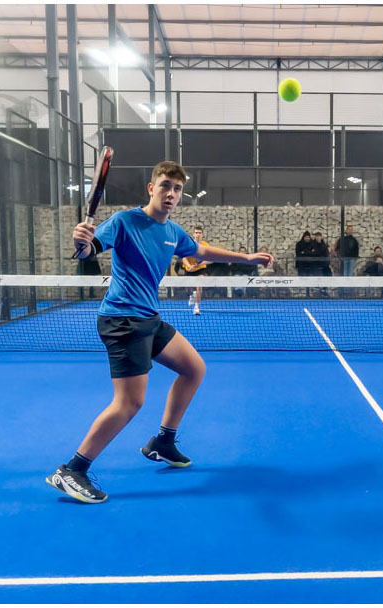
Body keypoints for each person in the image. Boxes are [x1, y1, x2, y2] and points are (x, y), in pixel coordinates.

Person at [47, 160, 273, 504]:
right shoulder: (124, 221)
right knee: (129, 403)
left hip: (149, 319)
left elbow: (200, 250)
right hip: (123, 320)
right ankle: (72, 470)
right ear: (151, 188)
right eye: (165, 186)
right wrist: (82, 242)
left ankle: (163, 442)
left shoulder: (172, 232)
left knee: (194, 368)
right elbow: (88, 250)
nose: (171, 193)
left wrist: (248, 258)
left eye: (177, 189)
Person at [181, 226, 210, 315]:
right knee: (188, 289)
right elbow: (184, 258)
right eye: (196, 233)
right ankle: (192, 295)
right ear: (193, 235)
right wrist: (189, 266)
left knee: (199, 286)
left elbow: (211, 259)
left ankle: (196, 307)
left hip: (200, 269)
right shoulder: (188, 244)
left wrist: (199, 265)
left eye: (199, 233)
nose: (198, 234)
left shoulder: (205, 245)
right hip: (189, 269)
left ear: (202, 235)